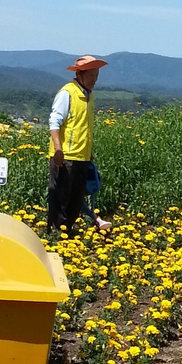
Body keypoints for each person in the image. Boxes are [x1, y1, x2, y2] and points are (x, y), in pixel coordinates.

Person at [47, 55, 111, 234]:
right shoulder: (68, 93)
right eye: (91, 76)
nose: (94, 81)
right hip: (65, 156)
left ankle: (68, 230)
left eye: (96, 76)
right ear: (80, 75)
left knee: (76, 198)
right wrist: (58, 149)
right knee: (60, 197)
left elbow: (84, 126)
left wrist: (88, 152)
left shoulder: (89, 96)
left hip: (82, 155)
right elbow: (54, 122)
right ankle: (55, 233)